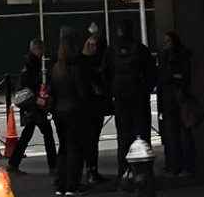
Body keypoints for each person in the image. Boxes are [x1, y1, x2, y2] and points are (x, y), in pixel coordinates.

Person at [106, 16, 156, 184]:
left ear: (118, 30)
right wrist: (145, 90)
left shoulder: (111, 50)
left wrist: (112, 92)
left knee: (123, 136)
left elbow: (105, 74)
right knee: (142, 133)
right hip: (139, 96)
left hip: (120, 97)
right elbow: (151, 73)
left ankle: (123, 173)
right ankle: (145, 173)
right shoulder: (140, 49)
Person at [48, 28, 90, 196]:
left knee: (64, 147)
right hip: (75, 111)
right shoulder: (76, 67)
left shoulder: (56, 68)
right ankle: (73, 184)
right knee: (75, 148)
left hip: (59, 112)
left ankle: (62, 185)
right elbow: (83, 93)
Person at [7, 37, 57, 175]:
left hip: (31, 105)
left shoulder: (30, 63)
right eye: (40, 48)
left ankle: (13, 163)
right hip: (34, 105)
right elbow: (30, 82)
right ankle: (53, 165)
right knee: (46, 134)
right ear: (34, 49)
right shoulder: (32, 64)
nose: (42, 51)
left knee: (28, 135)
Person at [157, 29, 196, 177]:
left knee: (184, 134)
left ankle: (186, 166)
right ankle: (175, 166)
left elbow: (183, 77)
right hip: (169, 100)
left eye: (168, 41)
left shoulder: (180, 56)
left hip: (179, 98)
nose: (164, 44)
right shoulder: (164, 59)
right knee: (173, 136)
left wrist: (171, 78)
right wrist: (173, 76)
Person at [81, 24, 111, 184]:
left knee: (92, 138)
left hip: (92, 103)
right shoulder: (93, 62)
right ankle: (91, 169)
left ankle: (91, 169)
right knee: (91, 139)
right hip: (92, 103)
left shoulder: (86, 61)